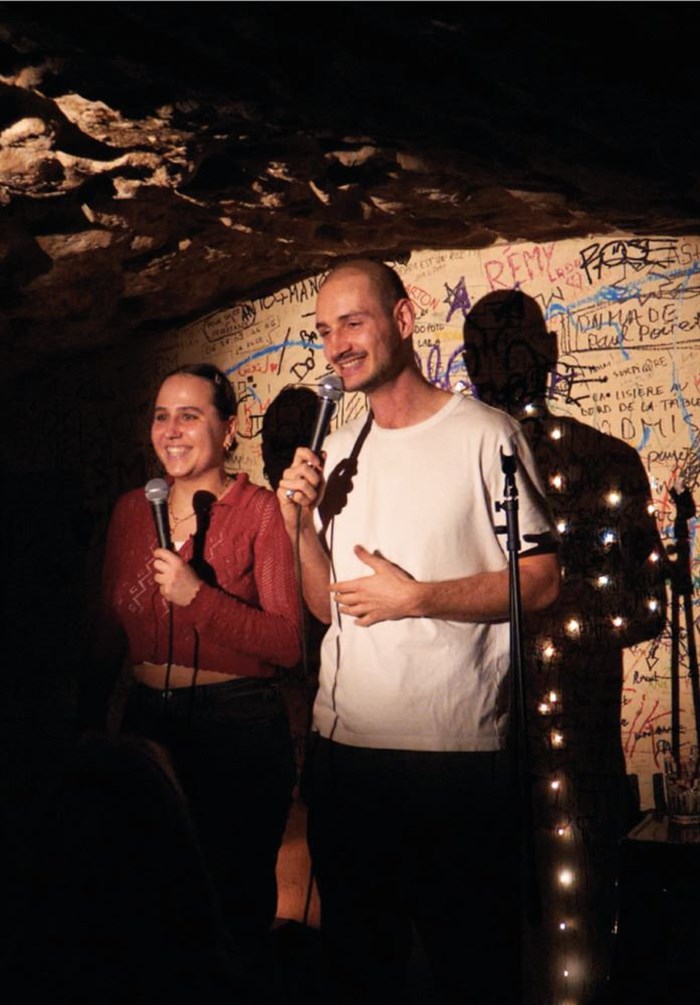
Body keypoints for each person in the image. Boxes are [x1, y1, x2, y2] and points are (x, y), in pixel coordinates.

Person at [276, 260, 560, 1003]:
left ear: (403, 320)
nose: (337, 344)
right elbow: (325, 608)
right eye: (324, 330)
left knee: (471, 974)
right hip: (347, 761)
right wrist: (296, 526)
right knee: (359, 975)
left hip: (456, 761)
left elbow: (540, 580)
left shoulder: (486, 436)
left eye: (353, 321)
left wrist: (420, 598)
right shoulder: (337, 450)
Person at [463, 290, 667, 1003]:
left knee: (563, 933)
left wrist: (554, 611)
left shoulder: (604, 461)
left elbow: (647, 606)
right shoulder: (468, 465)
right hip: (490, 738)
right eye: (490, 351)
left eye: (512, 346)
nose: (503, 364)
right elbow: (642, 607)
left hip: (563, 742)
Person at [87, 362, 301, 962]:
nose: (171, 431)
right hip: (147, 722)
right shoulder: (133, 510)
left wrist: (198, 598)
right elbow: (107, 628)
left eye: (189, 415)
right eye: (161, 417)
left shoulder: (259, 511)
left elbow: (287, 642)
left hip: (237, 727)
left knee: (231, 904)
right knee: (149, 899)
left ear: (229, 429)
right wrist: (87, 720)